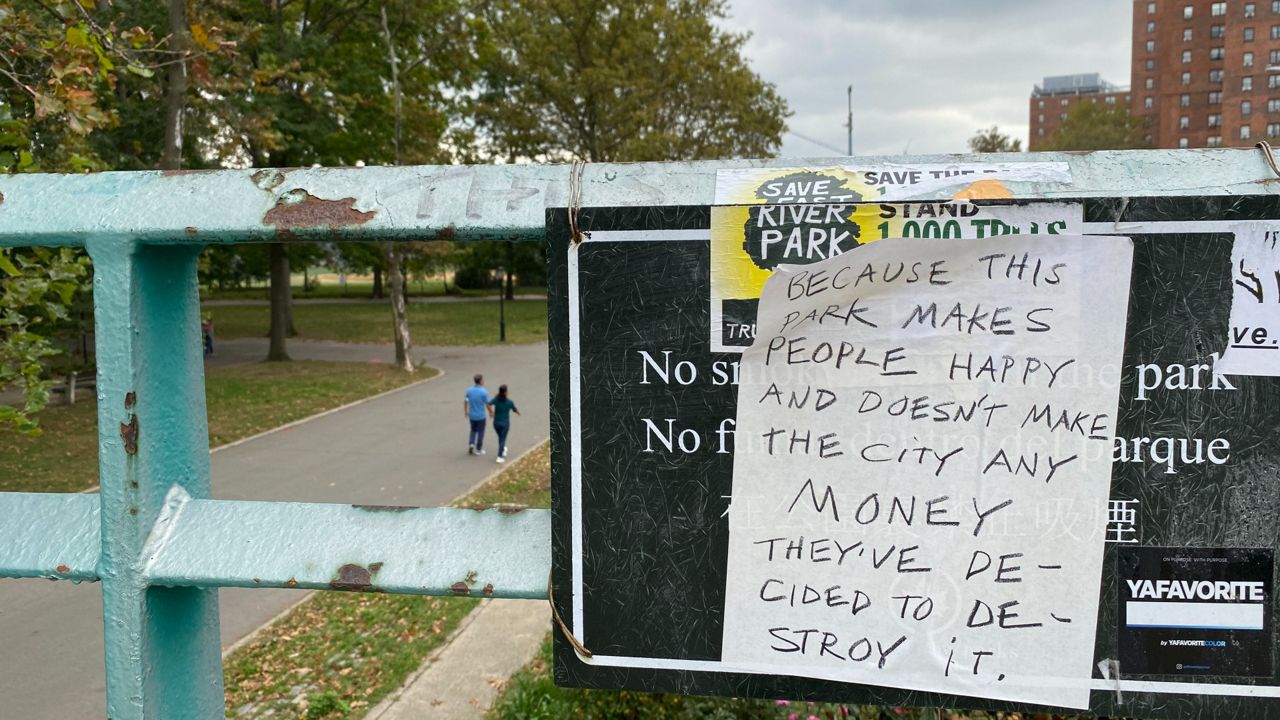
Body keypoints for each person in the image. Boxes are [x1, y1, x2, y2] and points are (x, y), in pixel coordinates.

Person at [488, 384, 521, 463]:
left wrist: (491, 412)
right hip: (505, 424)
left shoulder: (496, 400)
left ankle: (502, 448)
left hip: (496, 423)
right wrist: (518, 413)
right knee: (502, 439)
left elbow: (488, 404)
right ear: (505, 393)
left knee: (500, 437)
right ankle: (500, 456)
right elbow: (514, 409)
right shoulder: (509, 402)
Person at [464, 374, 492, 455]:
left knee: (473, 430)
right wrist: (491, 412)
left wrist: (465, 411)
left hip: (472, 415)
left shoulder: (469, 390)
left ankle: (471, 443)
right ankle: (478, 449)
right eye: (483, 380)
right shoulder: (484, 392)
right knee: (481, 432)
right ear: (480, 381)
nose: (484, 381)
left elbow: (466, 401)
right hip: (480, 416)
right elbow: (487, 404)